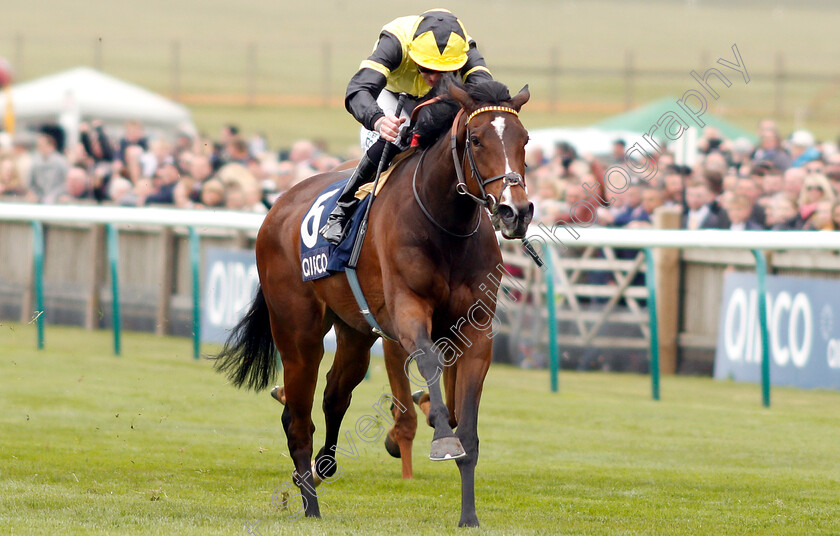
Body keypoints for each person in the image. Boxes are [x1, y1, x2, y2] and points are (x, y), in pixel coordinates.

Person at [319, 8, 493, 245]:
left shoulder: (463, 47)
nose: (433, 76)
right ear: (414, 53)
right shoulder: (395, 42)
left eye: (443, 70)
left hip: (436, 99)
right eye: (427, 68)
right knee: (397, 137)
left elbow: (487, 94)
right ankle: (342, 209)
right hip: (391, 95)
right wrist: (379, 121)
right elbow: (357, 90)